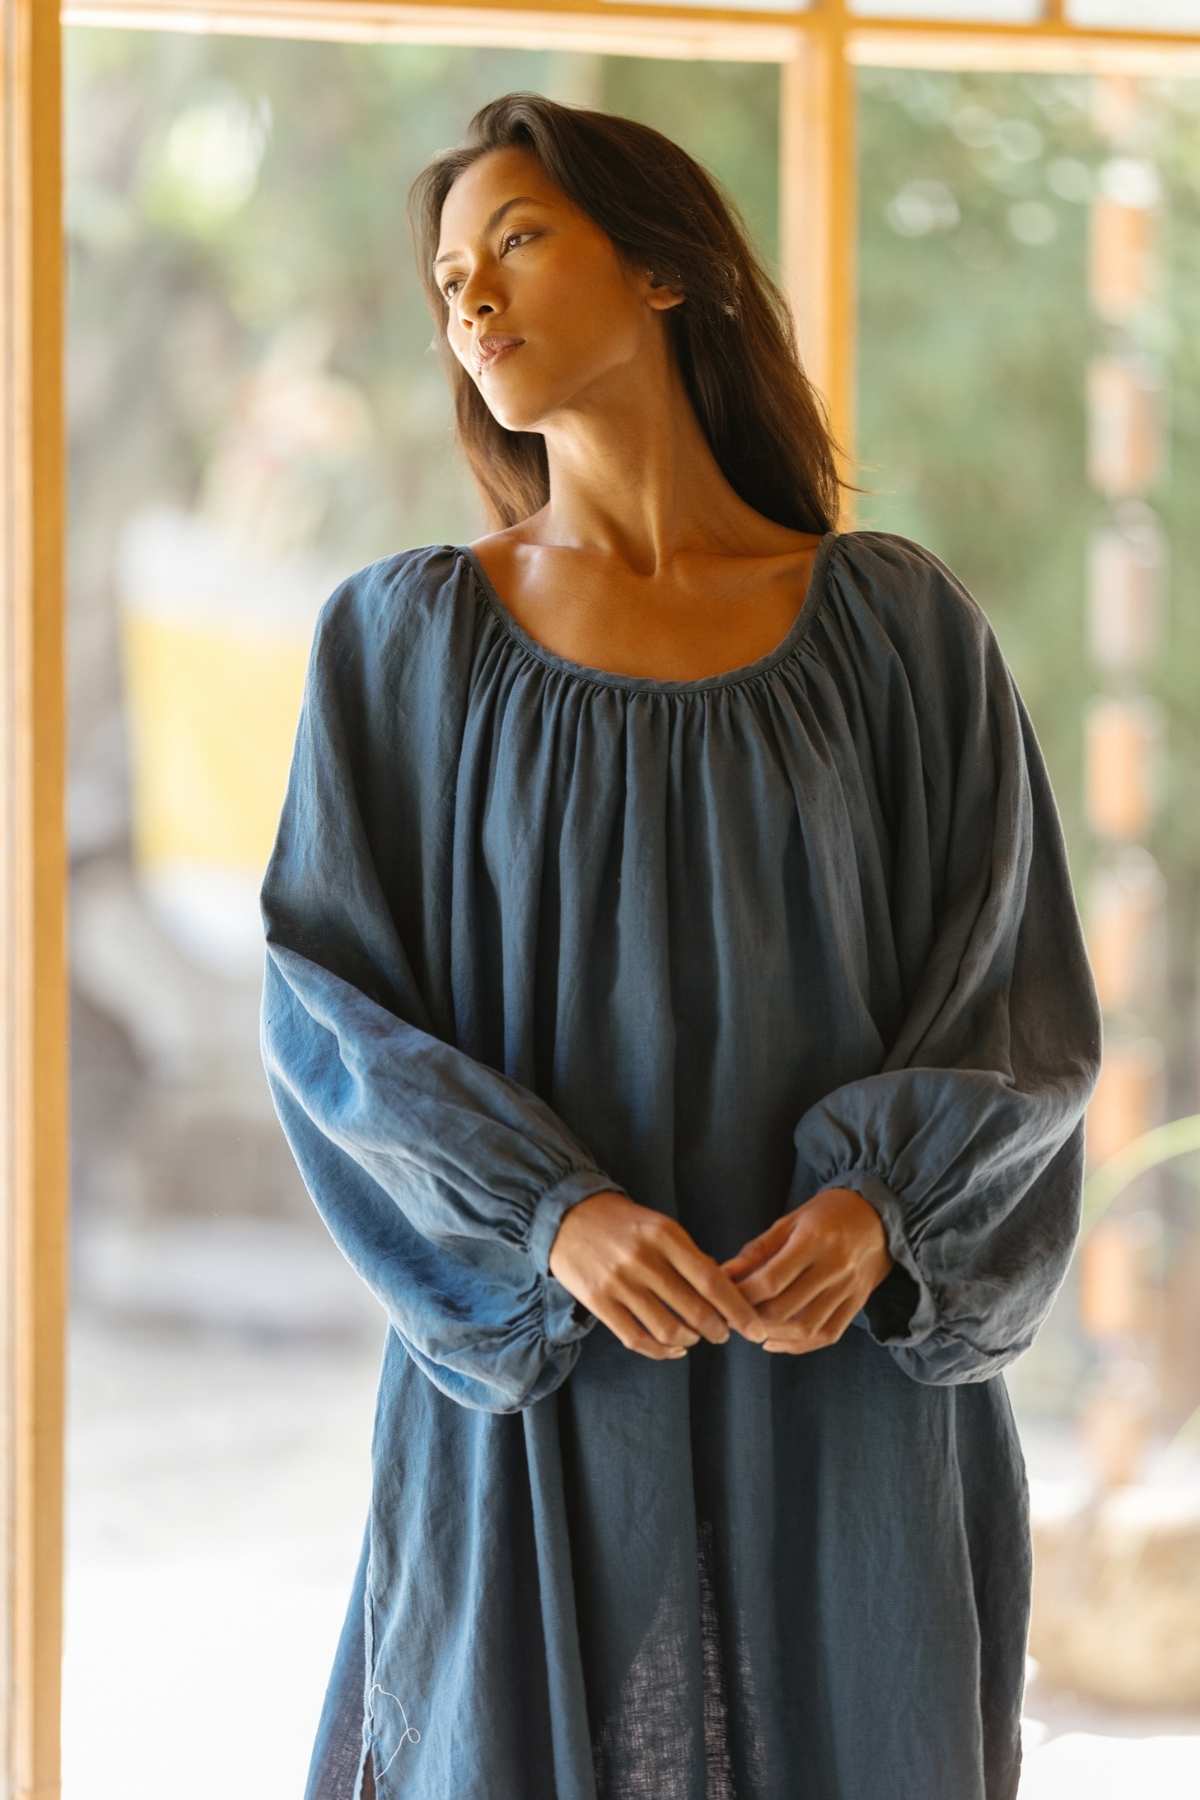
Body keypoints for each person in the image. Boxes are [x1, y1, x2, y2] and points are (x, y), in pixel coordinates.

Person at [258, 91, 1103, 1800]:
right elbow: (328, 1014)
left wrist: (885, 1210)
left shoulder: (901, 633)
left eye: (515, 240)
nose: (469, 303)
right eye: (444, 280)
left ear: (661, 268)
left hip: (846, 1395)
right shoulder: (404, 644)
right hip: (547, 1387)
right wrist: (548, 1219)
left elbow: (1015, 998)